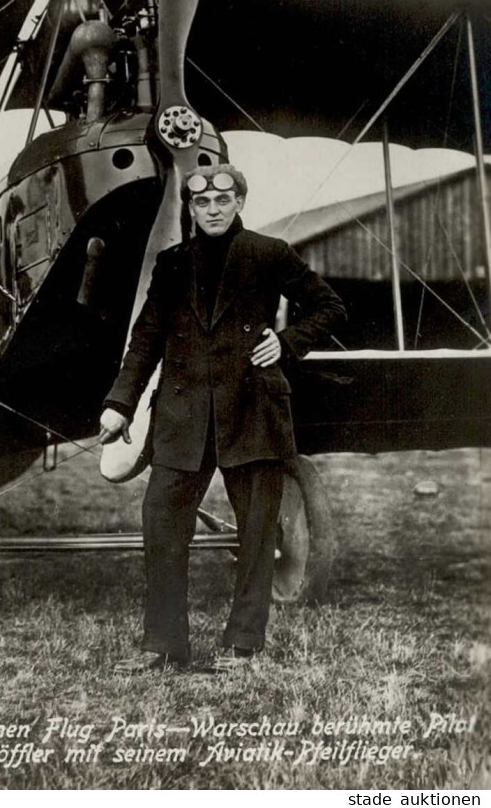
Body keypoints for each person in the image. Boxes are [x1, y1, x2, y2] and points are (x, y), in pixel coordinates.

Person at [99, 163, 346, 673]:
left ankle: (242, 644)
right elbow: (145, 339)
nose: (212, 210)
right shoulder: (171, 265)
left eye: (222, 200)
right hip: (182, 416)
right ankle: (164, 645)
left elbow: (329, 307)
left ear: (239, 202)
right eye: (201, 203)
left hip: (253, 412)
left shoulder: (268, 253)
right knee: (161, 522)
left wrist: (287, 341)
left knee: (257, 533)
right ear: (190, 208)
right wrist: (119, 404)